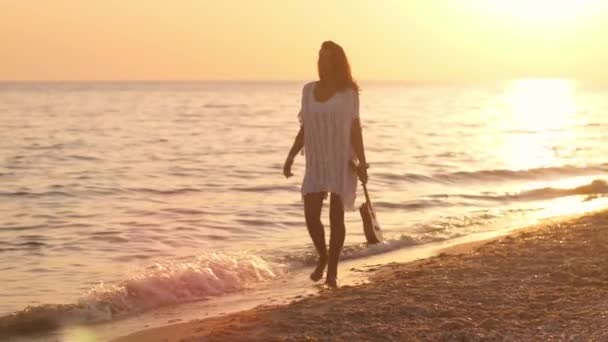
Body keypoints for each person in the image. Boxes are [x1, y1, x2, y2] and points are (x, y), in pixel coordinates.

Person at [283, 40, 369, 288]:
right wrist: (290, 156)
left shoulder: (349, 93)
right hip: (317, 161)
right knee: (311, 216)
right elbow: (305, 128)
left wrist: (362, 162)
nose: (323, 60)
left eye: (329, 56)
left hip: (341, 159)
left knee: (336, 217)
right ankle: (323, 255)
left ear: (338, 61)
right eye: (321, 55)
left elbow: (355, 128)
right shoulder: (308, 90)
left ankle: (332, 271)